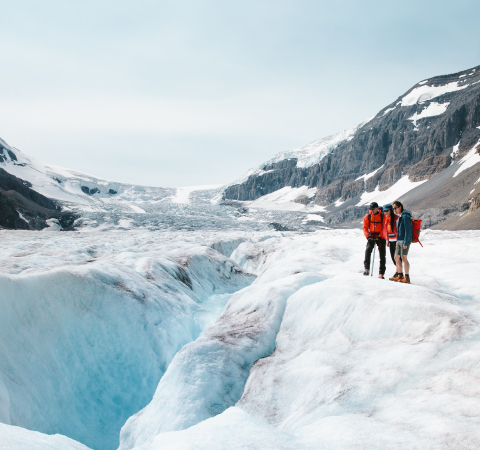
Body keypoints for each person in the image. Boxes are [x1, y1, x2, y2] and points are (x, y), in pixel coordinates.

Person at [389, 200, 413, 284]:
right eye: (393, 209)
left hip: (404, 240)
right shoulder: (401, 216)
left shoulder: (406, 216)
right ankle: (399, 274)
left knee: (403, 257)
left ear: (400, 207)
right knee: (396, 257)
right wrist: (398, 240)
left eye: (395, 208)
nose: (394, 210)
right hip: (400, 240)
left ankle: (406, 277)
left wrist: (405, 242)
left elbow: (408, 230)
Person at [362, 202, 387, 279]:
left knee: (382, 255)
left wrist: (380, 237)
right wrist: (368, 237)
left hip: (381, 237)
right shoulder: (368, 216)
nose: (371, 211)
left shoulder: (383, 216)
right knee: (368, 251)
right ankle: (366, 269)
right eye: (370, 209)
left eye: (373, 209)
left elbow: (385, 227)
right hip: (371, 236)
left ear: (377, 208)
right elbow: (365, 228)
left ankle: (381, 273)